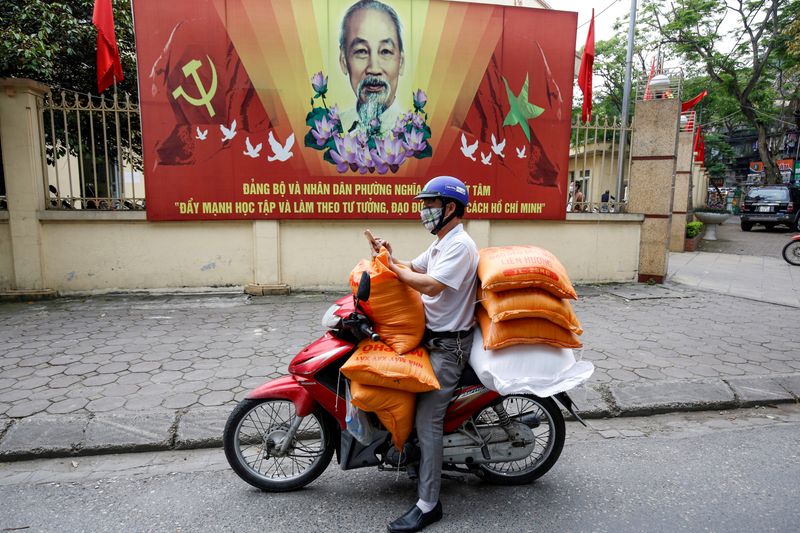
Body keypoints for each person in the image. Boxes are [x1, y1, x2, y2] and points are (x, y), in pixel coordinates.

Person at [368, 175, 479, 533]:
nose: (424, 211)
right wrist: (387, 256)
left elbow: (430, 284)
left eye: (430, 204)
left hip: (450, 348)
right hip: (430, 338)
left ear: (450, 208)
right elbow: (413, 267)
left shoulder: (460, 246)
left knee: (427, 422)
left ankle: (429, 504)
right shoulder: (441, 244)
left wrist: (395, 273)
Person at [338, 0, 405, 136]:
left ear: (401, 62)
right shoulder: (333, 131)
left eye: (385, 51)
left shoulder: (415, 133)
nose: (374, 69)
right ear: (344, 61)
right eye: (361, 51)